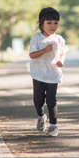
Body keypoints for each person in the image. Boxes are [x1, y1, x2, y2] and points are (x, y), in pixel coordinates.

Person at [29, 7, 67, 137]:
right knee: (38, 100)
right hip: (38, 74)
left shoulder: (60, 39)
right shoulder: (36, 37)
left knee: (51, 101)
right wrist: (45, 50)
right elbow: (32, 55)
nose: (53, 26)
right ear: (41, 23)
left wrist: (61, 61)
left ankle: (53, 125)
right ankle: (41, 116)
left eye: (55, 23)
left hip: (53, 74)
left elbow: (62, 53)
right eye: (49, 23)